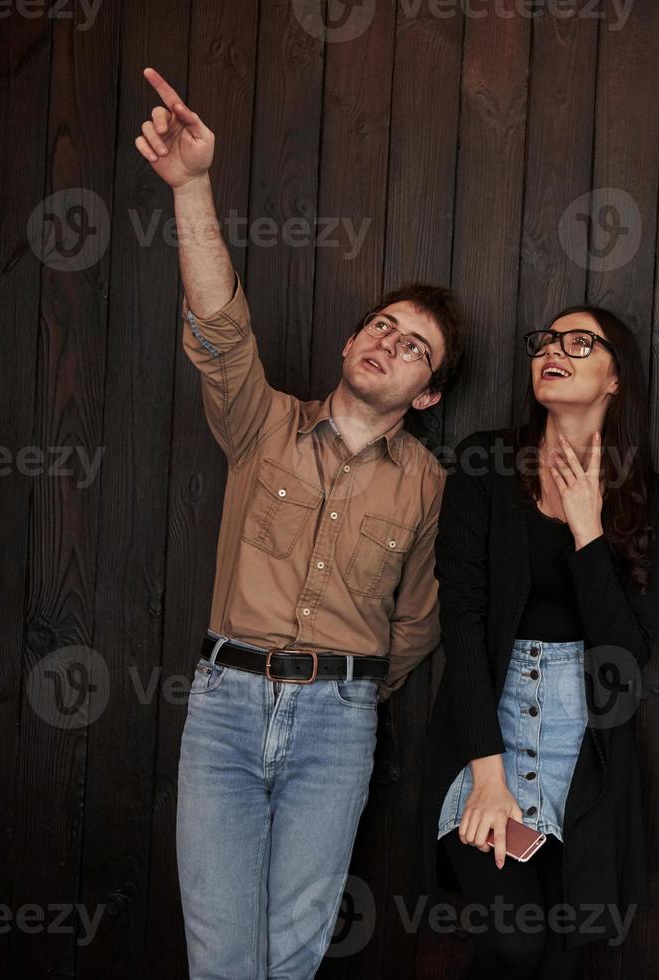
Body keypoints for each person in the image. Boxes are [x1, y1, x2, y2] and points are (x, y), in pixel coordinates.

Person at [134, 67, 463, 978]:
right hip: (226, 709)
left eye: (414, 348)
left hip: (339, 721)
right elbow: (219, 325)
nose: (388, 341)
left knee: (292, 951)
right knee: (222, 953)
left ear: (427, 392)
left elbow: (418, 622)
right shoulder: (261, 422)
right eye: (382, 324)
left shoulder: (427, 484)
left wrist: (350, 689)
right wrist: (193, 185)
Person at [418, 308, 659, 977]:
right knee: (514, 941)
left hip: (583, 748)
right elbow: (464, 624)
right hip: (486, 731)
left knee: (560, 959)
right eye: (544, 342)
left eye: (578, 342)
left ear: (615, 377)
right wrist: (487, 776)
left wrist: (589, 531)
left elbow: (625, 657)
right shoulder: (485, 464)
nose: (551, 352)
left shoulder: (654, 501)